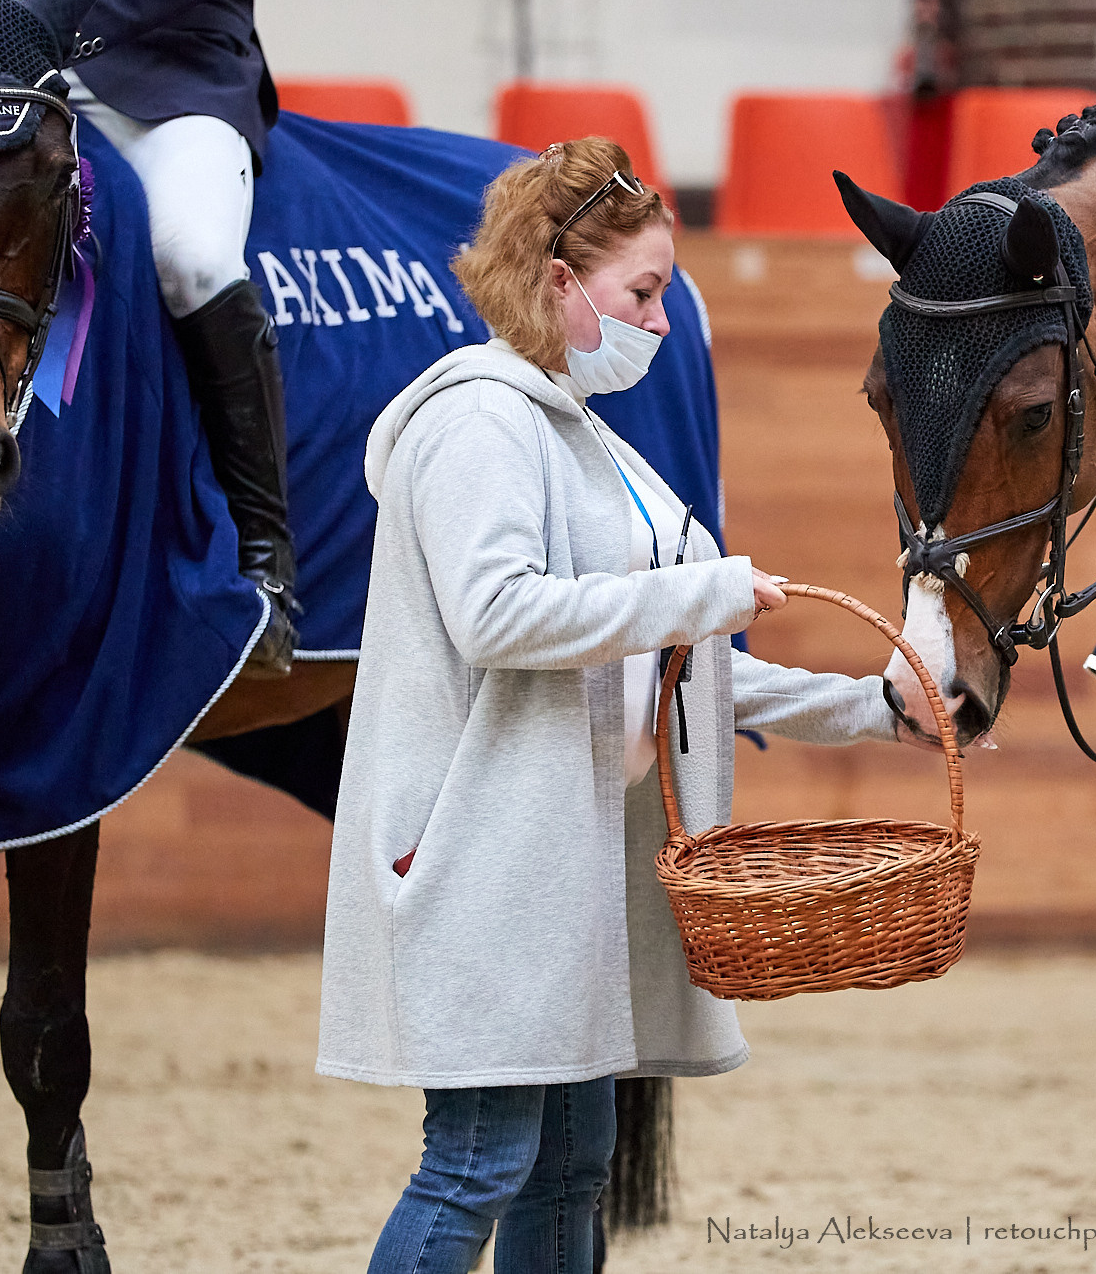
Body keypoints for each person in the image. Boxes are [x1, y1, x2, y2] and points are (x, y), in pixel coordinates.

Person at [316, 137, 909, 1274]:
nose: (660, 321)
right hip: (483, 869)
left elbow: (675, 669)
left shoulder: (584, 440)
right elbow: (497, 614)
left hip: (558, 879)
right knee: (477, 1163)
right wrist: (703, 589)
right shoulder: (479, 423)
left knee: (574, 1159)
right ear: (556, 283)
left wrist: (873, 707)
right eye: (643, 292)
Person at [0, 0, 298, 673]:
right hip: (16, 75)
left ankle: (263, 551)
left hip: (173, 80)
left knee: (191, 257)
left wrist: (32, 25)